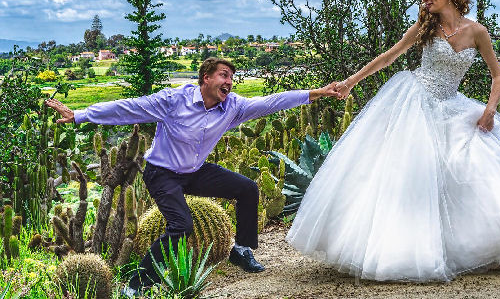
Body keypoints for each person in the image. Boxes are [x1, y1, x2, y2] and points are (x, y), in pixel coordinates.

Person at [286, 0, 500, 282]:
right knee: (414, 175)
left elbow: (497, 76)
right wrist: (350, 82)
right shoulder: (425, 27)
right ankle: (412, 247)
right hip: (416, 102)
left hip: (453, 106)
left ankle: (482, 247)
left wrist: (489, 110)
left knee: (470, 167)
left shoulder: (477, 32)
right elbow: (389, 56)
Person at [46, 57, 339, 295]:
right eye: (224, 75)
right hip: (162, 173)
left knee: (248, 188)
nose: (229, 82)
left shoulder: (232, 106)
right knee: (182, 225)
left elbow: (272, 102)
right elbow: (129, 108)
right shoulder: (174, 100)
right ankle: (136, 283)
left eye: (231, 77)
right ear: (206, 78)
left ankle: (241, 249)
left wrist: (318, 93)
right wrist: (80, 115)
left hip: (195, 171)